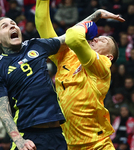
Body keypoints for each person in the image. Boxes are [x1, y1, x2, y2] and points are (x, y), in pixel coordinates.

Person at [35, 0, 125, 149]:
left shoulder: (102, 66)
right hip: (70, 144)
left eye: (103, 41)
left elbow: (74, 38)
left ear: (109, 56)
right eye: (98, 36)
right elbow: (42, 26)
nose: (96, 38)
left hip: (97, 145)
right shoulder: (68, 56)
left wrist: (88, 23)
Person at [0, 16, 68, 150]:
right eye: (5, 26)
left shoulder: (35, 45)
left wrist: (96, 15)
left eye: (13, 24)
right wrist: (19, 140)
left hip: (57, 133)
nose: (12, 26)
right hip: (30, 137)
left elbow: (69, 37)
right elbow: (4, 112)